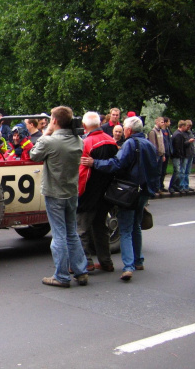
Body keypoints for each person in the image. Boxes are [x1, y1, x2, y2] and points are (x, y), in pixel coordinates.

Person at [80, 116, 159, 281]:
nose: (122, 130)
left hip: (128, 191)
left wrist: (94, 163)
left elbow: (116, 164)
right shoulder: (149, 144)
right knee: (135, 226)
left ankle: (128, 266)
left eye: (124, 127)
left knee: (125, 229)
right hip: (144, 190)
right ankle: (138, 261)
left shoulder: (129, 144)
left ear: (129, 130)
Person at [30, 106, 88, 288]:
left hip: (54, 192)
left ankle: (61, 275)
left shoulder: (50, 141)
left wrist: (46, 133)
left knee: (59, 234)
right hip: (71, 191)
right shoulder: (78, 141)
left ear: (54, 121)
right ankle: (80, 271)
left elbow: (34, 154)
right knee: (72, 232)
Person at [77, 112, 118, 273]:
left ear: (85, 126)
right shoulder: (111, 141)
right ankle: (106, 261)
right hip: (107, 192)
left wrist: (78, 193)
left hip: (89, 193)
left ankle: (86, 262)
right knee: (101, 228)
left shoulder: (86, 143)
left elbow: (83, 174)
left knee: (82, 230)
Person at [168, 120, 188, 194]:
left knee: (178, 171)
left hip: (177, 155)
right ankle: (172, 186)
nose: (186, 128)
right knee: (177, 171)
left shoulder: (178, 134)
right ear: (182, 126)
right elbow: (178, 147)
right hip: (176, 156)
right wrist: (180, 154)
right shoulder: (178, 135)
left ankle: (176, 186)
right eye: (185, 126)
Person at [148, 117, 166, 194]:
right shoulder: (153, 132)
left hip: (161, 155)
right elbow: (153, 145)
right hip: (156, 155)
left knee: (159, 172)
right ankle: (153, 188)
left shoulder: (161, 131)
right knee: (154, 172)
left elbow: (162, 143)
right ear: (157, 122)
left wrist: (163, 154)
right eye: (162, 122)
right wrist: (155, 156)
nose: (163, 123)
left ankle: (157, 188)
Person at [182, 119, 195, 192]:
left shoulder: (190, 132)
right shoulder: (182, 133)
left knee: (188, 171)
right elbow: (182, 144)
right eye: (188, 126)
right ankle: (183, 185)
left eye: (190, 126)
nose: (189, 128)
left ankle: (186, 185)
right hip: (185, 154)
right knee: (183, 170)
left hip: (191, 153)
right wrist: (188, 142)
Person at [160, 117, 173, 192]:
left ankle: (162, 184)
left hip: (167, 152)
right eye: (169, 122)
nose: (170, 123)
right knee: (161, 170)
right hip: (163, 153)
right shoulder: (161, 131)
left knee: (164, 170)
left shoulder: (168, 131)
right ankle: (159, 185)